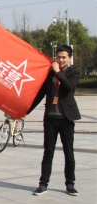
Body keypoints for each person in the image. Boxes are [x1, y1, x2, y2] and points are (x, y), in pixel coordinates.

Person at [26, 45, 81, 196]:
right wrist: (26, 111)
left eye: (64, 57)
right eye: (58, 57)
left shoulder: (73, 72)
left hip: (66, 120)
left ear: (69, 58)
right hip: (50, 119)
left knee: (69, 153)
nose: (61, 60)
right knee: (48, 153)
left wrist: (57, 72)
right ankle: (43, 184)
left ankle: (70, 184)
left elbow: (69, 87)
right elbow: (40, 94)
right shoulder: (49, 73)